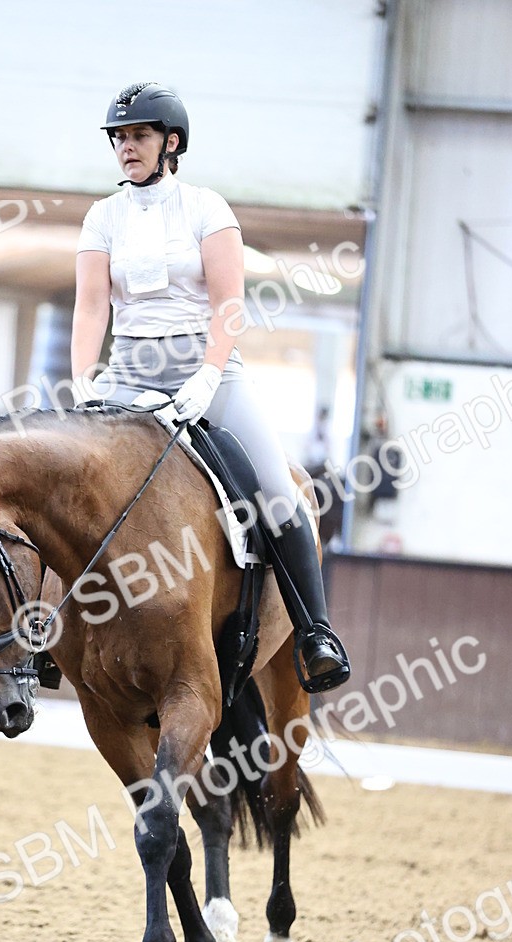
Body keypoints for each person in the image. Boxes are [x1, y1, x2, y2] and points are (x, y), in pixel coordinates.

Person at [70, 82, 350, 693]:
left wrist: (208, 373)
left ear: (171, 142)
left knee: (278, 490)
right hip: (127, 374)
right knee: (63, 482)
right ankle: (47, 637)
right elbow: (91, 307)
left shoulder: (207, 209)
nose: (126, 147)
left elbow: (229, 305)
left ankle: (315, 633)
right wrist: (83, 380)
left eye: (139, 136)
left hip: (207, 367)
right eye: (119, 138)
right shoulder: (102, 217)